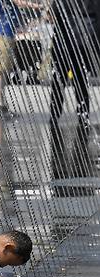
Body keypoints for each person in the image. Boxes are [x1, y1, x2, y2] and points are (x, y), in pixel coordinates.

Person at [48, 0, 98, 180]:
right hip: (83, 40)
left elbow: (53, 15)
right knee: (80, 79)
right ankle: (82, 113)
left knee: (59, 79)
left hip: (64, 41)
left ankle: (55, 113)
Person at [0, 0, 43, 114]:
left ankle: (1, 105)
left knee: (3, 70)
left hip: (4, 34)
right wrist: (38, 6)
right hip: (0, 34)